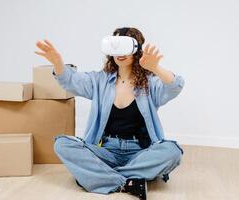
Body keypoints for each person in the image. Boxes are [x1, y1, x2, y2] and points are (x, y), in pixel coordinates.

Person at [35, 27, 185, 200]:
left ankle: (98, 177)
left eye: (125, 46)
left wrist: (156, 68)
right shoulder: (100, 80)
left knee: (172, 151)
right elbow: (71, 81)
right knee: (61, 144)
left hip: (140, 152)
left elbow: (175, 86)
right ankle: (130, 182)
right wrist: (58, 63)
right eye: (115, 46)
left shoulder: (150, 84)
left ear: (137, 50)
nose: (120, 53)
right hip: (106, 151)